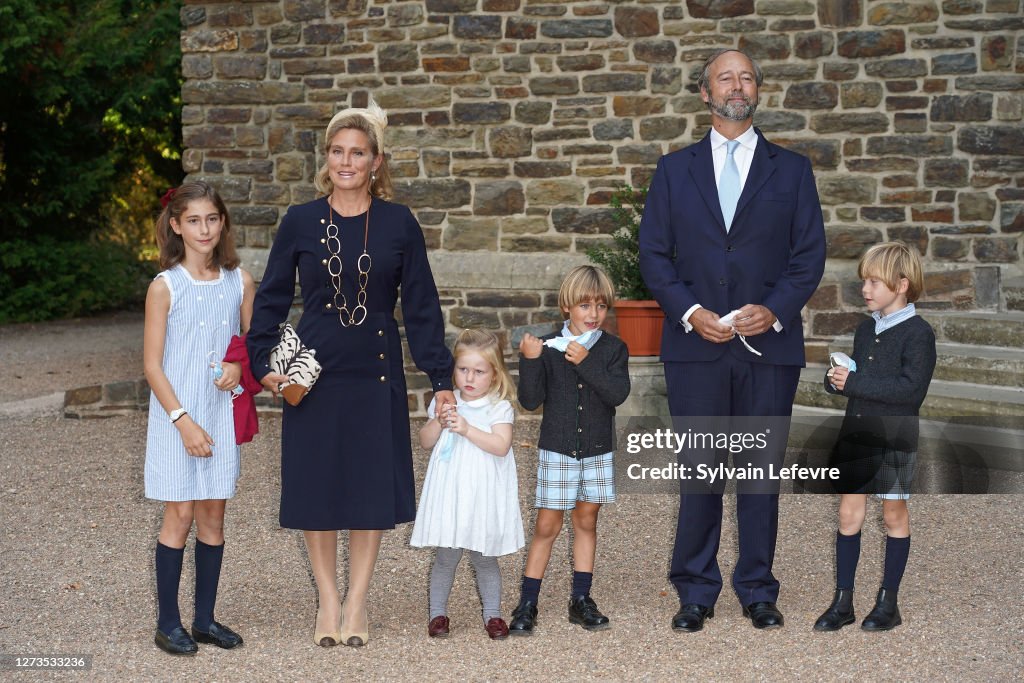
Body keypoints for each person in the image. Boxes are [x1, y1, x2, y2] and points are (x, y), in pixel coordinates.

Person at [246, 100, 455, 648]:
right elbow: (269, 302)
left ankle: (358, 600)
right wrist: (265, 364)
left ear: (376, 162)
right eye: (338, 151)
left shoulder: (399, 222)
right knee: (318, 488)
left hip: (376, 371)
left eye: (357, 153)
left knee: (366, 490)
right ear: (327, 159)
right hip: (312, 374)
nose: (346, 161)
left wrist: (441, 376)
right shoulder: (298, 220)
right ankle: (328, 600)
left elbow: (422, 305)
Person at [638, 48, 827, 632]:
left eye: (747, 76)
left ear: (758, 91)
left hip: (769, 348)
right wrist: (690, 312)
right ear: (705, 93)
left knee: (761, 472)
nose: (737, 85)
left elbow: (809, 256)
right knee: (699, 470)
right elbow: (653, 255)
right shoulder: (674, 169)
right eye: (726, 77)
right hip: (695, 347)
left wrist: (773, 311)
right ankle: (695, 589)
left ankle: (757, 588)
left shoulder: (792, 170)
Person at [143, 181, 255, 655]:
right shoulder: (165, 287)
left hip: (220, 412)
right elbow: (152, 364)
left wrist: (239, 366)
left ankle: (205, 619)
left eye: (212, 218)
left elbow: (256, 343)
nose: (204, 228)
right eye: (193, 220)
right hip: (177, 414)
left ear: (223, 222)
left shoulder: (239, 282)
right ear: (176, 226)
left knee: (213, 514)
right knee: (181, 512)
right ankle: (168, 623)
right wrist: (182, 420)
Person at [814, 242, 936, 632]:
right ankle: (843, 600)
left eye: (873, 281)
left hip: (895, 437)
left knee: (893, 514)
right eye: (863, 281)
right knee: (849, 515)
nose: (865, 289)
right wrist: (838, 382)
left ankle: (888, 602)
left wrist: (855, 382)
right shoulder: (866, 329)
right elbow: (858, 381)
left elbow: (910, 391)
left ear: (902, 284)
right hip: (857, 434)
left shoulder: (919, 334)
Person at [509, 265, 631, 635]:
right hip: (558, 450)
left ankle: (581, 599)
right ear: (567, 307)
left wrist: (587, 362)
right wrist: (529, 360)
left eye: (600, 306)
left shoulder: (612, 349)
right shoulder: (547, 348)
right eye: (584, 306)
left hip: (596, 450)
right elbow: (530, 401)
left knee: (586, 520)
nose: (593, 314)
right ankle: (528, 602)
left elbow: (617, 394)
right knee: (547, 524)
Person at [410, 329, 524, 640]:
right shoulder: (447, 400)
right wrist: (439, 420)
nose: (469, 377)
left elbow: (501, 445)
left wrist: (466, 428)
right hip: (451, 491)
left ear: (494, 373)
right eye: (462, 369)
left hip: (482, 493)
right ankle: (437, 614)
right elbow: (424, 441)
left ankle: (493, 615)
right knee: (446, 554)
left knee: (484, 556)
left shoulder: (498, 406)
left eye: (478, 371)